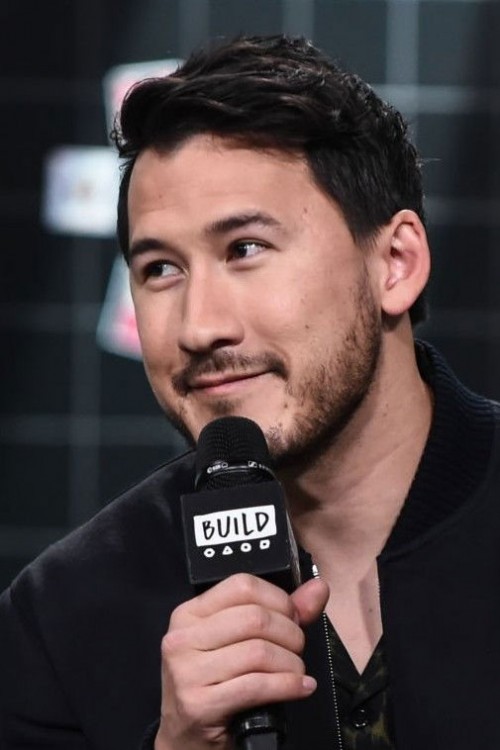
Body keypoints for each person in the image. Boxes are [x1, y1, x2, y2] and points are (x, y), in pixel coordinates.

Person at [1, 33, 499, 750]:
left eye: (245, 249)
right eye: (160, 269)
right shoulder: (59, 618)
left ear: (395, 262)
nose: (199, 326)